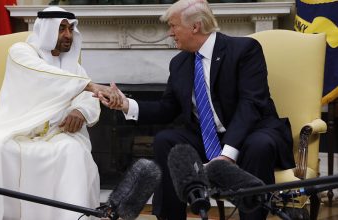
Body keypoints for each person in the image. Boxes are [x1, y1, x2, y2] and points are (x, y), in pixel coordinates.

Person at [100, 0, 296, 219]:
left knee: (258, 145)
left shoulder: (244, 50)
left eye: (173, 26)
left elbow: (250, 105)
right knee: (167, 140)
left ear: (195, 26)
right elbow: (168, 108)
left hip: (251, 131)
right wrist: (126, 104)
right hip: (207, 138)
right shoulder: (180, 63)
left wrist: (227, 155)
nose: (169, 33)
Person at [0, 6, 121, 220]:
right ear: (45, 29)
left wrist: (80, 110)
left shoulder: (74, 68)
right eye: (61, 28)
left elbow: (86, 99)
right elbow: (46, 75)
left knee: (73, 152)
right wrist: (91, 86)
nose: (68, 35)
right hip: (15, 132)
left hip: (57, 134)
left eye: (71, 29)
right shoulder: (20, 52)